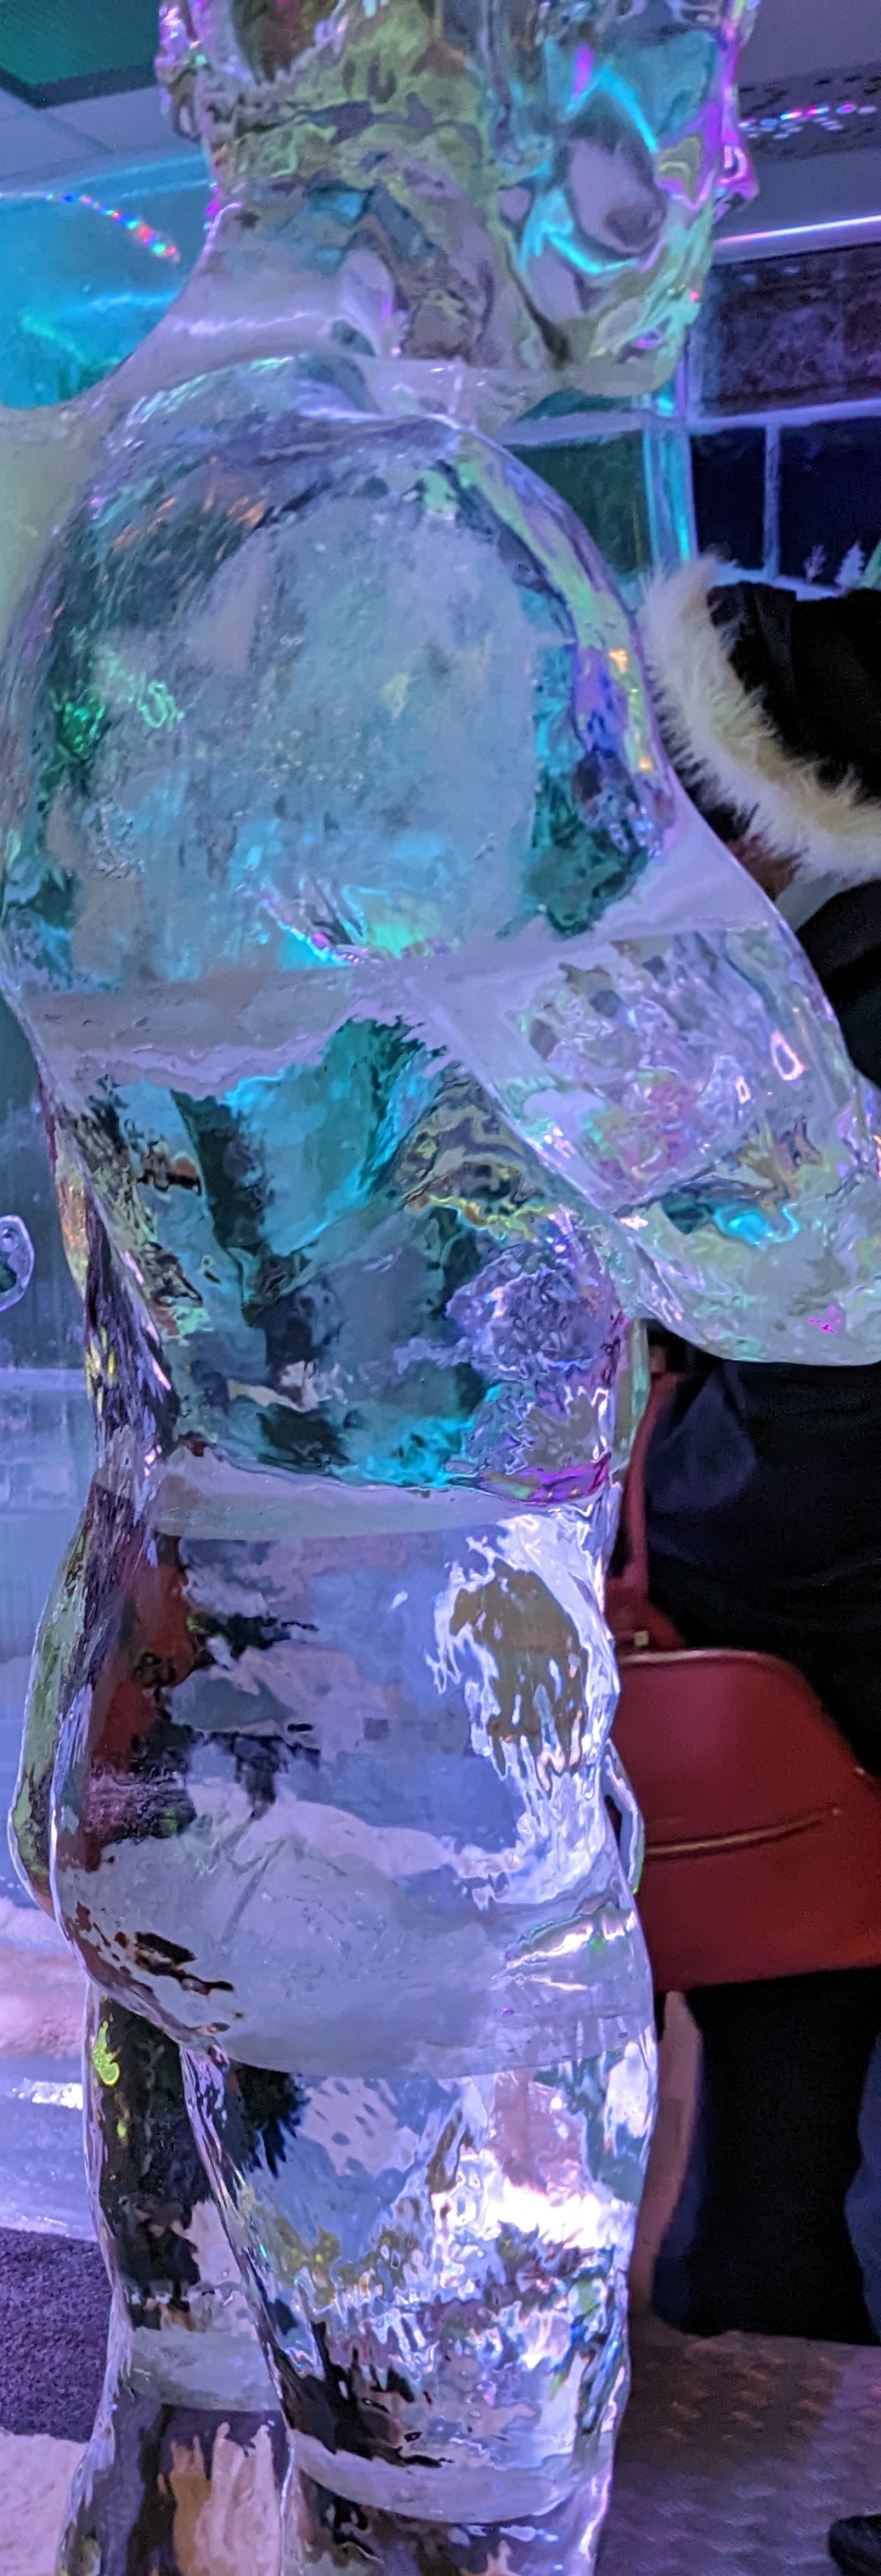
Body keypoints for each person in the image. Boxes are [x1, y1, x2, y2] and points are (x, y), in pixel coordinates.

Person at [0, 0, 881, 2576]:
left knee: (196, 2425)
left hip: (162, 1675)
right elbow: (784, 1219)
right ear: (522, 88)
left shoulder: (114, 515)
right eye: (683, 101)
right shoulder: (397, 549)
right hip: (400, 1773)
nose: (708, 191)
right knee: (466, 2564)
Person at [629, 559, 881, 2352]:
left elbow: (823, 1408)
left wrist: (651, 1486)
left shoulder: (845, 1005)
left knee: (794, 2157)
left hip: (830, 1655)